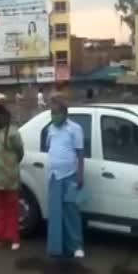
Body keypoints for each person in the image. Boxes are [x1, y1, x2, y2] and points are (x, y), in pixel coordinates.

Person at [45, 97, 85, 258]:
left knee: (72, 211)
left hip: (70, 175)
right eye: (51, 112)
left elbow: (81, 154)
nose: (53, 116)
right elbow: (49, 147)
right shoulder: (51, 128)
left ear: (64, 113)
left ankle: (76, 246)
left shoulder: (75, 129)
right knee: (55, 213)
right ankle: (56, 247)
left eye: (55, 113)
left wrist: (80, 175)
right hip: (54, 176)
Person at [0, 103, 24, 251]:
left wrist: (12, 163)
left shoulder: (13, 132)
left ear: (3, 115)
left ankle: (14, 238)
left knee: (12, 208)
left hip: (10, 176)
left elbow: (20, 152)